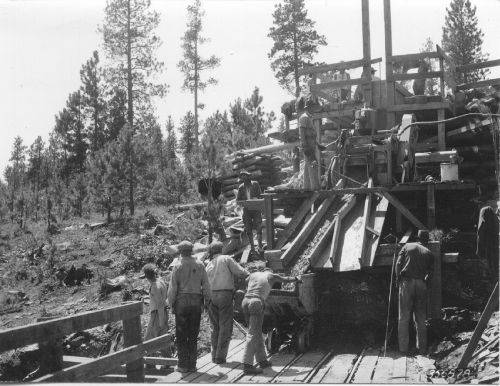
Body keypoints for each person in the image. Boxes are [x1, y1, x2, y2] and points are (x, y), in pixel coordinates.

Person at [241, 269, 301, 374]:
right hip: (256, 302)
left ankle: (262, 360)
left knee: (256, 332)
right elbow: (286, 280)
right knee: (252, 334)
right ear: (269, 272)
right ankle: (247, 365)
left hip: (245, 301)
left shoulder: (253, 274)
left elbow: (245, 281)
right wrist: (297, 278)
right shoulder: (271, 275)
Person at [167, 241, 211, 373]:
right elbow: (206, 286)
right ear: (191, 250)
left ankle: (182, 365)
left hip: (182, 303)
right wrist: (207, 301)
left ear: (180, 251)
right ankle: (192, 365)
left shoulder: (178, 266)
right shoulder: (200, 264)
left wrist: (171, 303)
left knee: (181, 334)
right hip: (196, 302)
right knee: (193, 334)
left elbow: (173, 288)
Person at [206, 241, 249, 364]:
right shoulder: (226, 259)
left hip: (211, 296)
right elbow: (241, 272)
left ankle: (214, 356)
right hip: (224, 295)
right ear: (222, 249)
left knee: (215, 327)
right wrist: (253, 274)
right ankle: (220, 356)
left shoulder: (208, 264)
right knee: (225, 326)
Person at [395, 230, 434, 355]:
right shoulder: (429, 253)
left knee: (404, 317)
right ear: (427, 240)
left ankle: (403, 349)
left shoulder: (407, 246)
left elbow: (398, 264)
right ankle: (422, 349)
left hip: (407, 283)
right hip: (421, 284)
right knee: (421, 318)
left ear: (417, 238)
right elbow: (430, 274)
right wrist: (423, 283)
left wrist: (398, 278)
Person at [143, 264, 169, 362]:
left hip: (157, 314)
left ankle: (150, 363)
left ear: (147, 277)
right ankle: (168, 362)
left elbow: (160, 304)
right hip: (163, 313)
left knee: (149, 339)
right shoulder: (161, 281)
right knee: (163, 338)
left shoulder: (155, 287)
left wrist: (161, 321)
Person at [296, 96, 321, 191]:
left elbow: (311, 134)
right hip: (308, 146)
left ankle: (306, 188)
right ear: (308, 107)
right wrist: (305, 146)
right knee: (313, 165)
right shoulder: (304, 118)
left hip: (312, 145)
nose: (314, 109)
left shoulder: (309, 118)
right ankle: (316, 189)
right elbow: (302, 133)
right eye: (313, 107)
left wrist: (318, 145)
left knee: (307, 167)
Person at [236, 170, 263, 253]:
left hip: (256, 209)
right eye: (242, 177)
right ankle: (252, 247)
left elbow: (260, 195)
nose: (244, 178)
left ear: (248, 176)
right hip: (246, 210)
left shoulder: (255, 184)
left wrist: (256, 199)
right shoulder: (241, 187)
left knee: (259, 227)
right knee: (248, 228)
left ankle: (260, 246)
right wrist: (243, 202)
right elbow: (238, 200)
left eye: (245, 176)